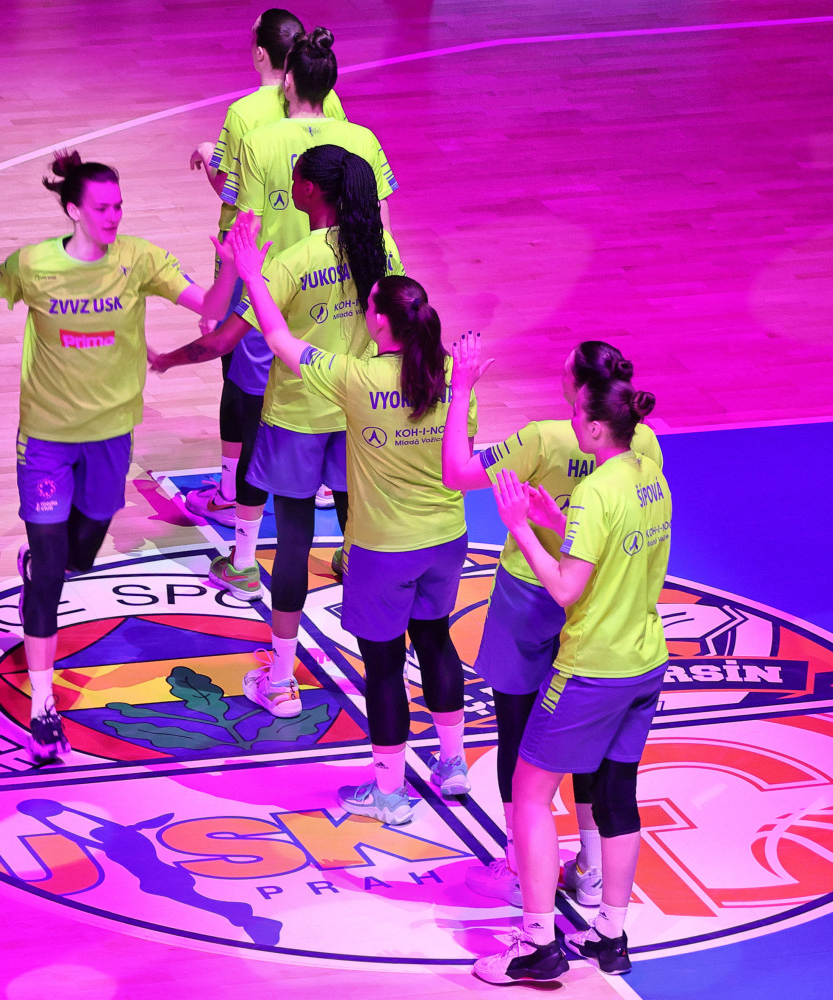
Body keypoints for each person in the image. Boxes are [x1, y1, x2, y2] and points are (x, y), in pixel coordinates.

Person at [0, 151, 236, 765]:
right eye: (103, 208)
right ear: (73, 211)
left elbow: (211, 308)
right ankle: (43, 707)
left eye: (119, 206)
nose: (114, 216)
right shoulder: (34, 265)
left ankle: (50, 561)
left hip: (111, 438)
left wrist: (233, 268)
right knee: (50, 574)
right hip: (46, 440)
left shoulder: (140, 260)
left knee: (81, 553)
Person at [229, 210, 478, 823]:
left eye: (368, 306)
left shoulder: (358, 379)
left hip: (384, 549)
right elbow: (461, 457)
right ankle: (454, 764)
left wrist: (252, 275)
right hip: (447, 539)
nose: (363, 312)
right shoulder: (453, 380)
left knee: (385, 665)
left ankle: (389, 793)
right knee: (436, 641)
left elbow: (279, 341)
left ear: (381, 323)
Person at [151, 147, 401, 687]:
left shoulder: (291, 262)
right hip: (360, 414)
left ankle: (282, 681)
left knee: (294, 545)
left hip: (296, 420)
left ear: (309, 190)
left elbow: (222, 342)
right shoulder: (383, 249)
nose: (290, 183)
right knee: (362, 543)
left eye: (295, 177)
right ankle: (388, 674)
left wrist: (167, 359)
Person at [442, 334, 663, 910]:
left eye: (565, 370)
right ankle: (590, 869)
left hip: (533, 593)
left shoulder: (541, 437)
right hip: (603, 606)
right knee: (594, 742)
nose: (558, 374)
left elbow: (456, 472)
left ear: (581, 394)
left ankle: (521, 868)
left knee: (516, 733)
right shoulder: (642, 442)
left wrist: (461, 390)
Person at [473, 379, 671, 984]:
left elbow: (564, 588)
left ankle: (537, 943)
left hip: (592, 669)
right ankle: (610, 933)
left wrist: (519, 527)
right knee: (615, 793)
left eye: (577, 412)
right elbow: (610, 553)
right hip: (645, 661)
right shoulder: (650, 475)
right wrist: (555, 520)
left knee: (530, 790)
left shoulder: (594, 490)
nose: (571, 417)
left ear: (593, 427)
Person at [185, 8, 347, 524]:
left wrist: (208, 154)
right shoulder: (330, 103)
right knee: (317, 362)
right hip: (324, 260)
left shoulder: (243, 115)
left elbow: (233, 198)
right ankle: (325, 480)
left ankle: (233, 493)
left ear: (260, 53)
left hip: (260, 268)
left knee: (241, 382)